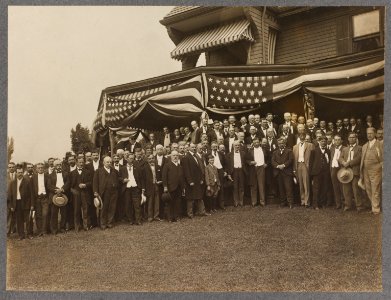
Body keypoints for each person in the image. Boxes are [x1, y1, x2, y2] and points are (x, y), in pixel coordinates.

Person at [338, 132, 366, 212]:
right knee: (346, 190)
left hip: (355, 172)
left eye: (353, 137)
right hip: (346, 172)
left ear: (356, 138)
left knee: (356, 190)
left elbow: (359, 158)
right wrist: (343, 163)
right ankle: (348, 205)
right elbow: (340, 158)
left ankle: (359, 206)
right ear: (348, 138)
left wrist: (349, 163)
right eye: (350, 137)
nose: (352, 139)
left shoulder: (360, 148)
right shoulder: (344, 149)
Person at [7, 165, 34, 240]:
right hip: (17, 204)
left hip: (26, 203)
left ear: (23, 172)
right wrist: (11, 206)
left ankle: (29, 234)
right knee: (19, 220)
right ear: (16, 173)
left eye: (21, 172)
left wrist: (32, 205)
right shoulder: (12, 182)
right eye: (18, 172)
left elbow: (31, 194)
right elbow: (10, 196)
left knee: (28, 220)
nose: (20, 174)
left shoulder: (27, 181)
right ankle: (21, 235)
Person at [360, 127, 383, 214]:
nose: (369, 135)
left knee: (375, 189)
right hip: (365, 170)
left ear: (375, 134)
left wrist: (380, 168)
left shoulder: (379, 144)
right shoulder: (365, 145)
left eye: (371, 133)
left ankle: (376, 209)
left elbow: (382, 159)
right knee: (368, 189)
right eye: (368, 133)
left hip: (376, 170)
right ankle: (374, 206)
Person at [93, 156, 119, 229]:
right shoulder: (98, 171)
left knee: (112, 208)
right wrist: (95, 191)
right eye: (107, 162)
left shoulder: (114, 171)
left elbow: (118, 180)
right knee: (104, 208)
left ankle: (109, 223)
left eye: (110, 162)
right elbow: (95, 182)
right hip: (104, 193)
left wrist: (115, 186)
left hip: (113, 192)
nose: (109, 163)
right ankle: (103, 224)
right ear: (103, 162)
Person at [182, 143, 208, 218]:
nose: (193, 148)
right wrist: (190, 181)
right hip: (191, 181)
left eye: (194, 147)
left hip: (197, 180)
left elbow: (199, 169)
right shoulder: (186, 157)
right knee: (190, 198)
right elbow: (186, 171)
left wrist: (201, 179)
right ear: (189, 148)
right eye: (192, 147)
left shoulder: (196, 156)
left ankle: (202, 211)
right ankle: (190, 214)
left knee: (199, 197)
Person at [119, 153, 144, 225]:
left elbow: (141, 178)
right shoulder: (122, 168)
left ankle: (138, 220)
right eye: (130, 158)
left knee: (137, 205)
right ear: (126, 159)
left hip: (135, 188)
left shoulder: (137, 168)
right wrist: (123, 180)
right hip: (127, 189)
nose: (131, 160)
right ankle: (130, 219)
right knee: (128, 205)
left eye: (133, 158)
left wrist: (142, 188)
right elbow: (118, 178)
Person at [70, 157, 93, 231]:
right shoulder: (72, 173)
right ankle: (77, 226)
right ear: (76, 163)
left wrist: (85, 185)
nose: (81, 164)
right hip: (76, 194)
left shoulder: (87, 172)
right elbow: (70, 185)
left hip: (85, 193)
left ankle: (86, 226)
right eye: (79, 162)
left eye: (82, 162)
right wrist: (73, 191)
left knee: (85, 210)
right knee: (76, 211)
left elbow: (91, 182)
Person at [48, 159, 70, 234]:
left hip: (64, 195)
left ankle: (62, 227)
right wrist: (57, 190)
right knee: (54, 213)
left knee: (64, 213)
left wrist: (62, 189)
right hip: (54, 195)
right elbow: (49, 185)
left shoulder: (66, 173)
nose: (59, 166)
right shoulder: (50, 175)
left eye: (60, 164)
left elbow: (68, 183)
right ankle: (54, 229)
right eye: (57, 165)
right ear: (54, 166)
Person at [293, 134, 314, 208]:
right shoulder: (295, 147)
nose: (302, 138)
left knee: (306, 184)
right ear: (299, 138)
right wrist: (294, 169)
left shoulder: (310, 145)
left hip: (306, 165)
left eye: (303, 136)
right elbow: (294, 159)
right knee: (300, 184)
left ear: (305, 137)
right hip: (298, 165)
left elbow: (313, 157)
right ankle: (302, 200)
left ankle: (307, 202)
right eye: (300, 137)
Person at [162, 151, 184, 222]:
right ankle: (170, 218)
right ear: (171, 157)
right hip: (170, 187)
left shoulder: (180, 166)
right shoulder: (167, 165)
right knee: (170, 203)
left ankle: (176, 216)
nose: (175, 157)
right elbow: (164, 177)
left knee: (178, 203)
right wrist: (165, 186)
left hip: (179, 187)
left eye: (176, 155)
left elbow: (182, 177)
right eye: (174, 155)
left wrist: (183, 187)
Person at [272, 138, 294, 208]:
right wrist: (278, 166)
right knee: (281, 188)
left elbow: (290, 160)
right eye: (279, 143)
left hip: (287, 173)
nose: (281, 144)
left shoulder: (289, 151)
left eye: (282, 143)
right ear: (277, 144)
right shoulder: (275, 152)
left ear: (284, 143)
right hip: (279, 173)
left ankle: (290, 203)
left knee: (288, 188)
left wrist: (283, 165)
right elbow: (272, 161)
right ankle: (283, 202)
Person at [246, 137, 268, 207]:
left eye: (257, 142)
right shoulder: (250, 151)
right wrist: (250, 162)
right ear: (253, 143)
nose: (256, 144)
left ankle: (262, 201)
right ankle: (254, 202)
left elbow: (269, 158)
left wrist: (266, 163)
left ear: (260, 142)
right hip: (253, 169)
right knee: (253, 185)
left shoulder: (264, 150)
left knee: (261, 185)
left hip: (261, 168)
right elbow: (246, 160)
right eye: (255, 142)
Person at [310, 136, 331, 210]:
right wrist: (311, 175)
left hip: (325, 173)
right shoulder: (314, 151)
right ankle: (315, 204)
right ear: (319, 142)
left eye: (325, 141)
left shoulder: (328, 151)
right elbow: (311, 163)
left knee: (324, 188)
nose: (323, 143)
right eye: (322, 141)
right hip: (316, 173)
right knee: (316, 189)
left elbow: (329, 162)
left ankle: (323, 203)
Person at [226, 141, 247, 207]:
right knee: (235, 187)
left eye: (238, 145)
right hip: (234, 171)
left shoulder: (243, 153)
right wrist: (229, 174)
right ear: (233, 146)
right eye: (236, 145)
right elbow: (228, 165)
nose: (237, 147)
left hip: (241, 171)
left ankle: (241, 201)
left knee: (241, 186)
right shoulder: (229, 154)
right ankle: (236, 202)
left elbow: (245, 163)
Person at [31, 162, 50, 236]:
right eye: (39, 168)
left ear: (44, 168)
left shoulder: (47, 176)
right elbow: (32, 190)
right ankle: (39, 231)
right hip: (37, 198)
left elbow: (49, 186)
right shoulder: (33, 177)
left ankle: (44, 231)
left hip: (45, 198)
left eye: (42, 167)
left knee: (45, 214)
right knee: (38, 215)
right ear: (36, 169)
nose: (40, 169)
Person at [143, 154, 161, 222]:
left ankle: (156, 216)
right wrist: (144, 188)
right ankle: (150, 217)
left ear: (154, 159)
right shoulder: (145, 168)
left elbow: (160, 176)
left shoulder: (158, 167)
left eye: (152, 158)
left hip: (156, 185)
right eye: (149, 159)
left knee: (157, 201)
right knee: (150, 202)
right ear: (147, 160)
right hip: (149, 186)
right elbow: (143, 179)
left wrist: (160, 181)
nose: (151, 160)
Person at [209, 141, 226, 210]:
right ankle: (213, 206)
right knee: (213, 189)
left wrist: (225, 171)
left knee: (221, 188)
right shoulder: (208, 154)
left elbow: (225, 163)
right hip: (212, 171)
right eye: (213, 147)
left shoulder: (221, 154)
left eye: (216, 146)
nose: (215, 148)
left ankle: (221, 205)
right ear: (211, 147)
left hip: (220, 171)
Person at [329, 134, 344, 209]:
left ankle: (344, 202)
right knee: (335, 187)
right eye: (335, 140)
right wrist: (331, 169)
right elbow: (331, 159)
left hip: (341, 169)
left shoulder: (344, 148)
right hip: (333, 168)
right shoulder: (332, 148)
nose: (337, 141)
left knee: (342, 186)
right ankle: (338, 203)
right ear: (333, 141)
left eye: (338, 140)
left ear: (341, 141)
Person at [7, 162, 17, 236]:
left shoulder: (18, 175)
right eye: (10, 167)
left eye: (12, 167)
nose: (11, 168)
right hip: (7, 199)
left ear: (15, 167)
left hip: (16, 199)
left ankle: (13, 229)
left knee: (15, 215)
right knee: (7, 215)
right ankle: (7, 231)